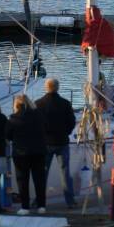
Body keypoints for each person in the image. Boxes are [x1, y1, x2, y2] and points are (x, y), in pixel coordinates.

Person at [36, 78, 77, 208]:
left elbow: (35, 124)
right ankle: (70, 201)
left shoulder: (38, 104)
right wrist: (67, 132)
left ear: (46, 88)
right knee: (65, 173)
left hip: (44, 143)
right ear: (58, 88)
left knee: (42, 174)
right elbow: (71, 122)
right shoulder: (65, 103)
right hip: (62, 142)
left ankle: (39, 200)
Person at [6, 94, 47, 215]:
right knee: (39, 180)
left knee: (22, 180)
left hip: (21, 153)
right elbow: (45, 129)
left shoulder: (13, 118)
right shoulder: (39, 116)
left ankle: (25, 207)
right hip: (38, 152)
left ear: (16, 105)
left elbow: (8, 135)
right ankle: (41, 206)